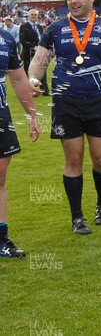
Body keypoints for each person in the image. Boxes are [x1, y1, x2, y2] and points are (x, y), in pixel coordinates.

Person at [28, 0, 101, 235]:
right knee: (73, 159)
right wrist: (32, 79)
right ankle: (77, 217)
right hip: (66, 103)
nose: (73, 2)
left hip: (98, 101)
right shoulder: (55, 29)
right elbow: (39, 60)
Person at [0, 25, 40, 258]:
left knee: (1, 175)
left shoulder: (5, 38)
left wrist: (32, 115)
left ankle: (2, 238)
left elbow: (17, 79)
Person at [19, 9, 49, 95]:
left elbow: (42, 38)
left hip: (40, 53)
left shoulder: (39, 27)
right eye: (32, 14)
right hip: (28, 53)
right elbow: (23, 40)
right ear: (28, 16)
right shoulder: (24, 26)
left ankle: (44, 90)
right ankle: (28, 91)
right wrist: (33, 47)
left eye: (35, 15)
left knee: (42, 70)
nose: (34, 16)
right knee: (28, 72)